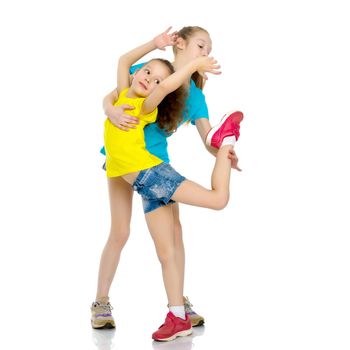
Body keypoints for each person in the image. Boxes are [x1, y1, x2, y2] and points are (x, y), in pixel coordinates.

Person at [92, 26, 241, 334]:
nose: (205, 53)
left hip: (153, 166)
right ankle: (102, 302)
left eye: (208, 49)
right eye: (201, 46)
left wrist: (223, 154)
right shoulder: (151, 72)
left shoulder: (186, 93)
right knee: (119, 232)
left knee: (173, 236)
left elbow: (207, 139)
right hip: (121, 163)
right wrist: (113, 112)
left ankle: (178, 303)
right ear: (181, 43)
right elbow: (114, 94)